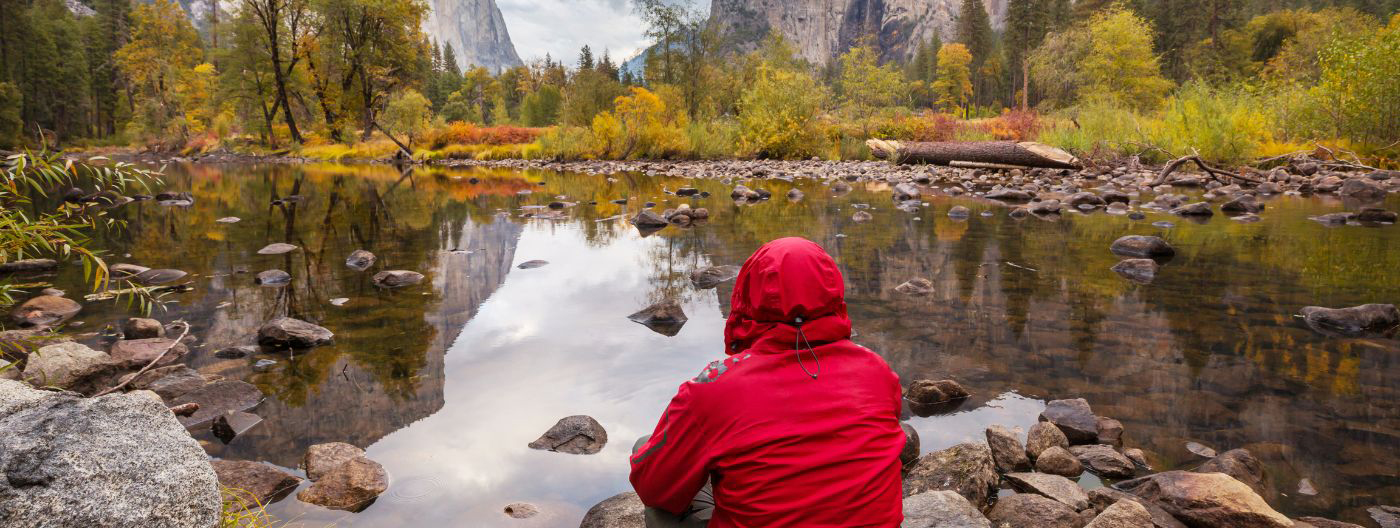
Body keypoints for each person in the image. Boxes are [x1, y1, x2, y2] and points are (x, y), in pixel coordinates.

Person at [629, 237, 906, 527]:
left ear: (747, 294)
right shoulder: (876, 370)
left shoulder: (713, 389)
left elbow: (654, 489)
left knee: (648, 450)